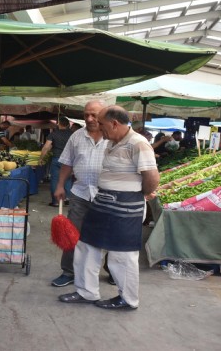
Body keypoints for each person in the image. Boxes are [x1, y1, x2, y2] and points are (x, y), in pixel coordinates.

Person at [59, 105, 159, 310]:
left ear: (114, 123)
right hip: (102, 202)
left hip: (125, 207)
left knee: (122, 254)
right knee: (87, 245)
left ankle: (128, 299)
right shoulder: (111, 143)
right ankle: (86, 291)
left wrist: (139, 194)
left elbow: (151, 177)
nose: (99, 128)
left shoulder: (138, 144)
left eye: (102, 124)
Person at [51, 100, 108, 287]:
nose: (90, 118)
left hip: (107, 195)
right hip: (80, 192)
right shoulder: (76, 136)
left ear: (104, 114)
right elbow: (67, 162)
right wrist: (60, 186)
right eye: (86, 115)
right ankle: (68, 271)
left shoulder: (113, 135)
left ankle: (113, 271)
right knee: (71, 233)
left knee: (107, 234)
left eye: (94, 114)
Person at [40, 116, 73, 207]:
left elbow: (46, 147)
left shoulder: (53, 134)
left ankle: (55, 202)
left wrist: (41, 158)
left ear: (59, 124)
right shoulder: (73, 134)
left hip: (57, 158)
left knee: (55, 180)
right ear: (68, 125)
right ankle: (66, 199)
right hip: (69, 160)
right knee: (67, 179)